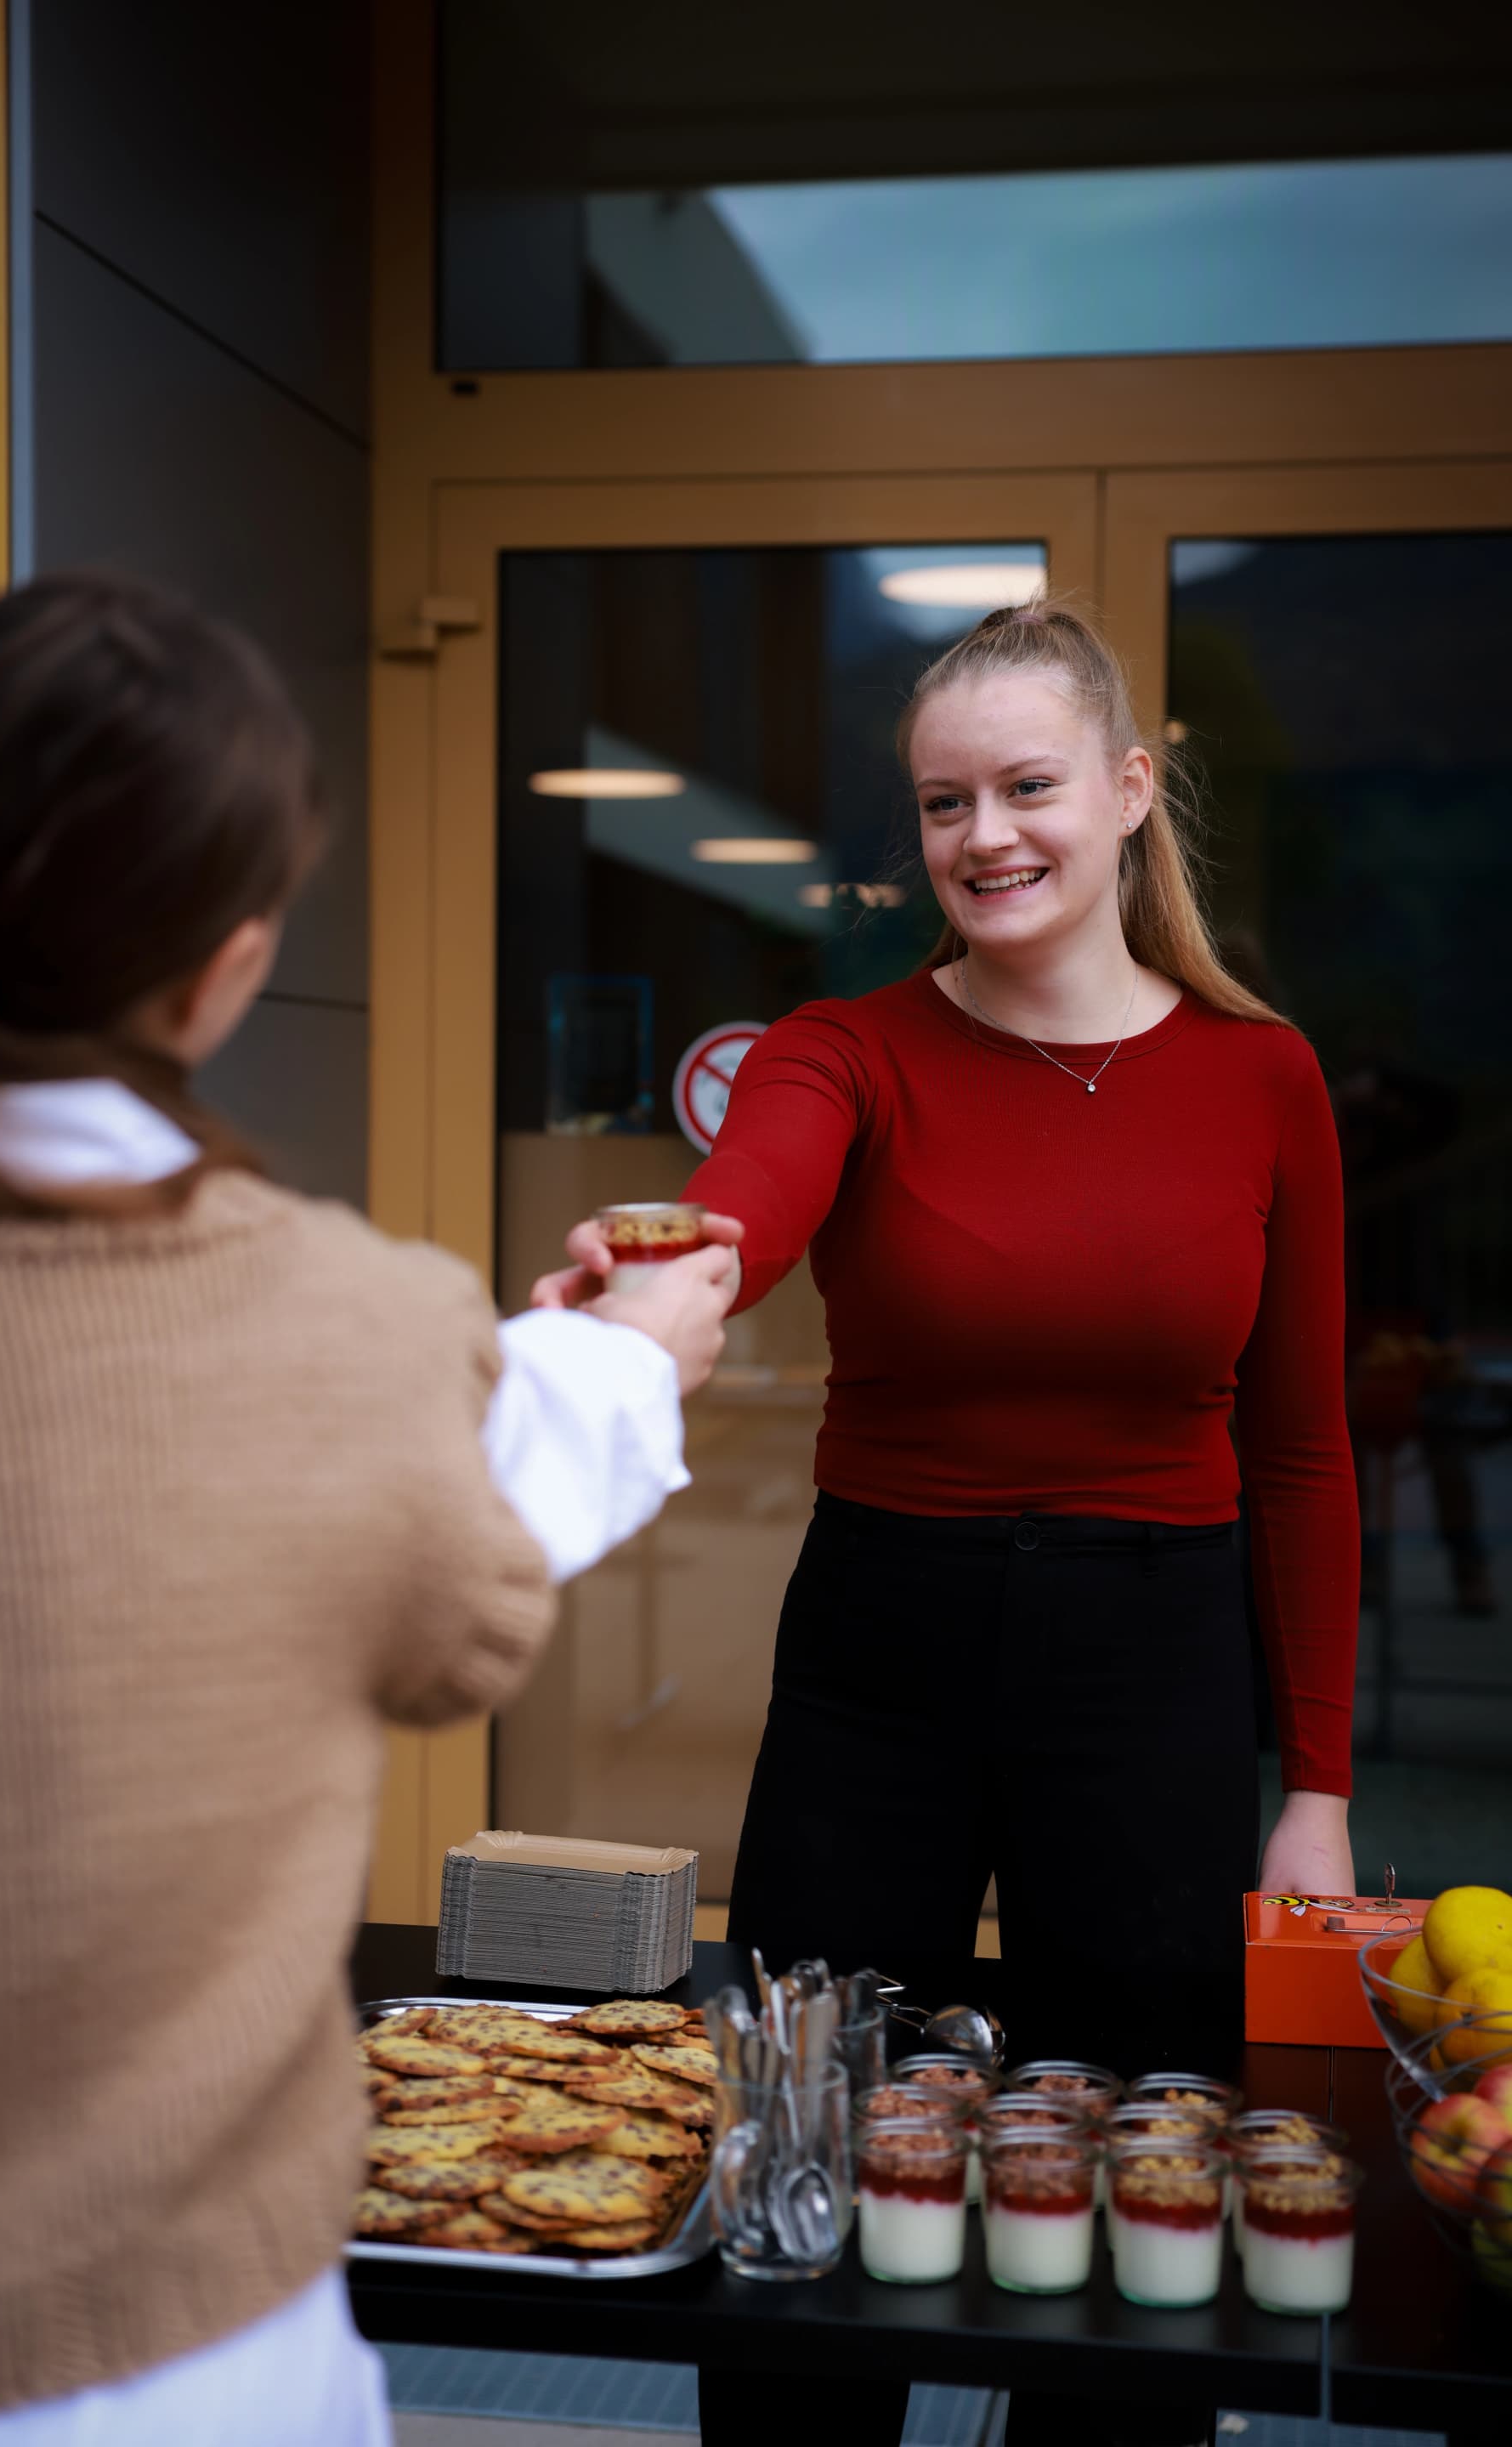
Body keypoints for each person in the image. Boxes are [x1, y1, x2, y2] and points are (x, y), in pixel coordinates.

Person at [0, 572, 734, 2447]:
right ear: (229, 962)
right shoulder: (350, 1331)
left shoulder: (357, 1343)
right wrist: (636, 1350)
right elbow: (478, 1499)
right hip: (188, 2370)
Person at [536, 601, 1361, 2447]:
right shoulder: (847, 1048)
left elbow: (1305, 1454)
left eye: (1026, 788)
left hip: (1155, 1661)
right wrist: (651, 1288)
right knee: (810, 2148)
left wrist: (1314, 1783)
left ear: (1129, 792)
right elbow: (743, 1209)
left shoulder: (1264, 1075)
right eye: (942, 802)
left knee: (1139, 2175)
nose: (984, 836)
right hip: (881, 1655)